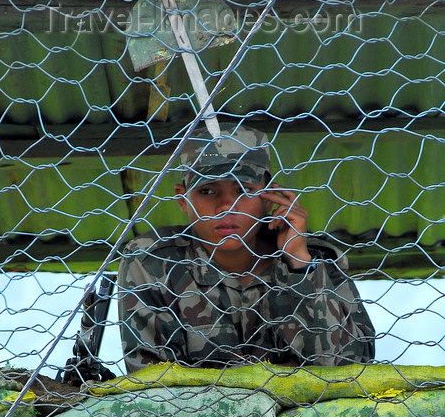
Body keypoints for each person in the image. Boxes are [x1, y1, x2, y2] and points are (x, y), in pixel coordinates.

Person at [118, 123, 375, 372]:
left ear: (269, 195)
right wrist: (283, 374)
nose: (226, 207)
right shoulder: (151, 262)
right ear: (183, 199)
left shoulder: (319, 260)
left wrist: (298, 264)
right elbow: (152, 383)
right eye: (207, 191)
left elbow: (351, 370)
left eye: (244, 189)